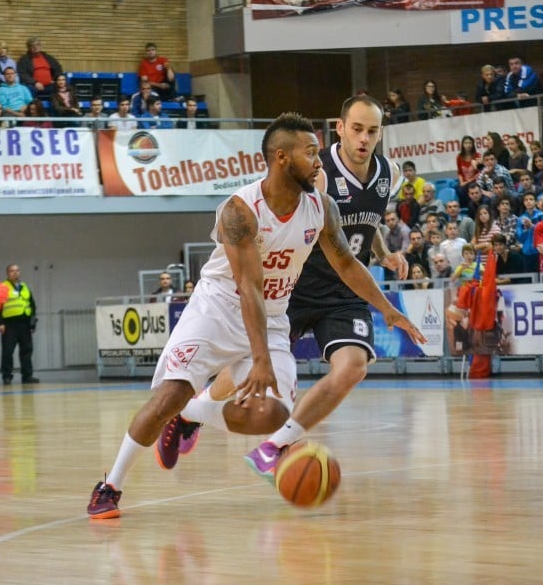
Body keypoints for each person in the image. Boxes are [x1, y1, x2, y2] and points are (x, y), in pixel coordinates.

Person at [85, 111, 423, 519]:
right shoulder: (240, 210)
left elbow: (348, 265)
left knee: (271, 415)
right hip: (217, 309)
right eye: (310, 153)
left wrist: (387, 310)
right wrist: (259, 359)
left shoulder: (322, 208)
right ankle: (110, 485)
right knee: (167, 398)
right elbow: (248, 287)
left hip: (274, 315)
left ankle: (193, 414)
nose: (319, 163)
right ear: (281, 158)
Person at [175, 96, 412, 478]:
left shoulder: (389, 172)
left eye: (372, 131)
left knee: (353, 367)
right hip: (296, 287)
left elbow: (368, 224)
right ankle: (196, 410)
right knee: (247, 370)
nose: (365, 138)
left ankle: (275, 446)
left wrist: (382, 254)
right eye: (357, 129)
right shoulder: (316, 170)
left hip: (343, 293)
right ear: (340, 127)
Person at [0, 263, 37, 385]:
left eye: (17, 270)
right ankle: (7, 376)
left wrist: (32, 323)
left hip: (24, 323)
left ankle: (27, 376)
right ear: (7, 273)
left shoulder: (24, 286)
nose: (15, 273)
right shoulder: (3, 287)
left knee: (27, 350)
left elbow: (32, 305)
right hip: (9, 324)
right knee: (7, 351)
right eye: (12, 271)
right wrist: (0, 323)